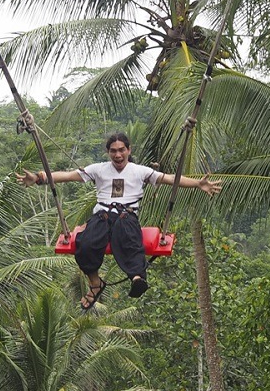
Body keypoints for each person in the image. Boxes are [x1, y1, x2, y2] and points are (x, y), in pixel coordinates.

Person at [18, 132, 222, 309]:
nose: (118, 154)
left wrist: (197, 183)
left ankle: (137, 278)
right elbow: (68, 176)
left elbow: (171, 179)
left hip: (126, 214)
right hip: (102, 214)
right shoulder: (98, 169)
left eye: (122, 150)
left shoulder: (140, 170)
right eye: (113, 151)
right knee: (86, 244)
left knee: (129, 240)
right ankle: (95, 283)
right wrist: (38, 178)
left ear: (129, 150)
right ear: (108, 152)